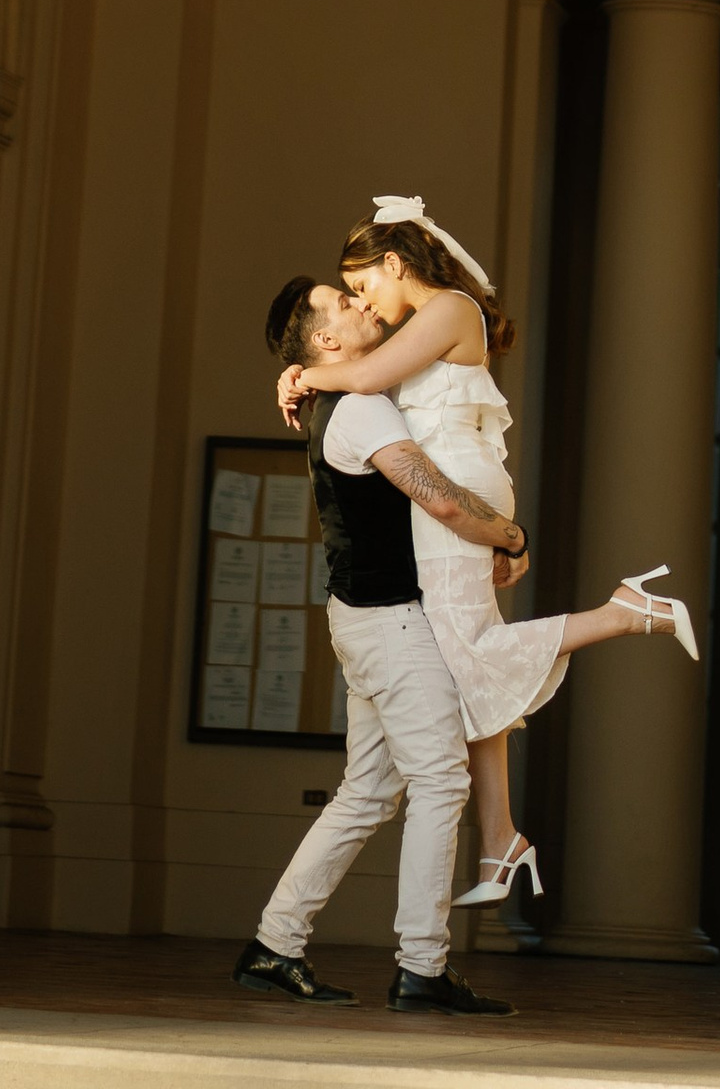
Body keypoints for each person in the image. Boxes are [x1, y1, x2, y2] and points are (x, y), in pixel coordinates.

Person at [277, 193, 697, 913]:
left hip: (457, 493)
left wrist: (303, 374)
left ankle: (629, 611)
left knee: (472, 647)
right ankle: (501, 839)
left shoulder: (448, 309)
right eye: (348, 298)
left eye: (361, 284)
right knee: (471, 661)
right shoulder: (427, 322)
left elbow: (371, 378)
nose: (363, 301)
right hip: (455, 493)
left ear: (394, 262)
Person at [235, 270, 524, 1015]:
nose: (363, 302)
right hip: (390, 622)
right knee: (439, 783)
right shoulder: (360, 406)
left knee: (367, 793)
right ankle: (422, 967)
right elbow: (433, 494)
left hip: (366, 620)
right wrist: (510, 536)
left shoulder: (349, 395)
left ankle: (274, 946)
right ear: (327, 337)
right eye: (344, 300)